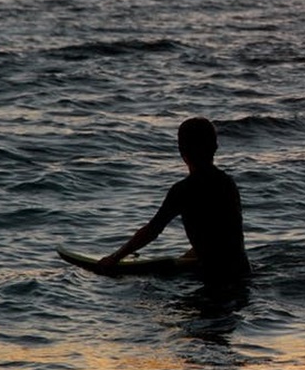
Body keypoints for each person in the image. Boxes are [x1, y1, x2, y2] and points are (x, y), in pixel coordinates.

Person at [99, 117, 251, 282]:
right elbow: (223, 235)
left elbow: (152, 230)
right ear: (215, 147)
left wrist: (115, 258)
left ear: (181, 151)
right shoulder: (227, 183)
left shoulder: (184, 190)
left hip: (215, 277)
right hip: (243, 272)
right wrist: (190, 256)